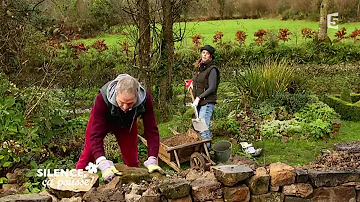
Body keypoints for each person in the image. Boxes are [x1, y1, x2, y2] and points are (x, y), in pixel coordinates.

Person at [76, 74, 161, 183]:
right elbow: (95, 136)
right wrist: (102, 162)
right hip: (103, 121)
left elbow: (151, 130)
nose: (125, 107)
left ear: (137, 95)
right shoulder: (102, 99)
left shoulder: (145, 99)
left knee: (132, 159)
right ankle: (75, 184)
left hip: (126, 124)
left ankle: (135, 186)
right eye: (121, 102)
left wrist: (152, 158)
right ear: (116, 94)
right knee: (88, 154)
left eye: (130, 103)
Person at [191, 45, 220, 148]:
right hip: (199, 102)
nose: (204, 55)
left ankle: (207, 151)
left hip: (207, 102)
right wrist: (191, 84)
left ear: (211, 56)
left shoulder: (212, 70)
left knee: (203, 127)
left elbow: (212, 88)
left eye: (207, 53)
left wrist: (199, 97)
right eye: (203, 52)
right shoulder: (200, 68)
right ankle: (204, 150)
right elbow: (199, 82)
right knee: (199, 127)